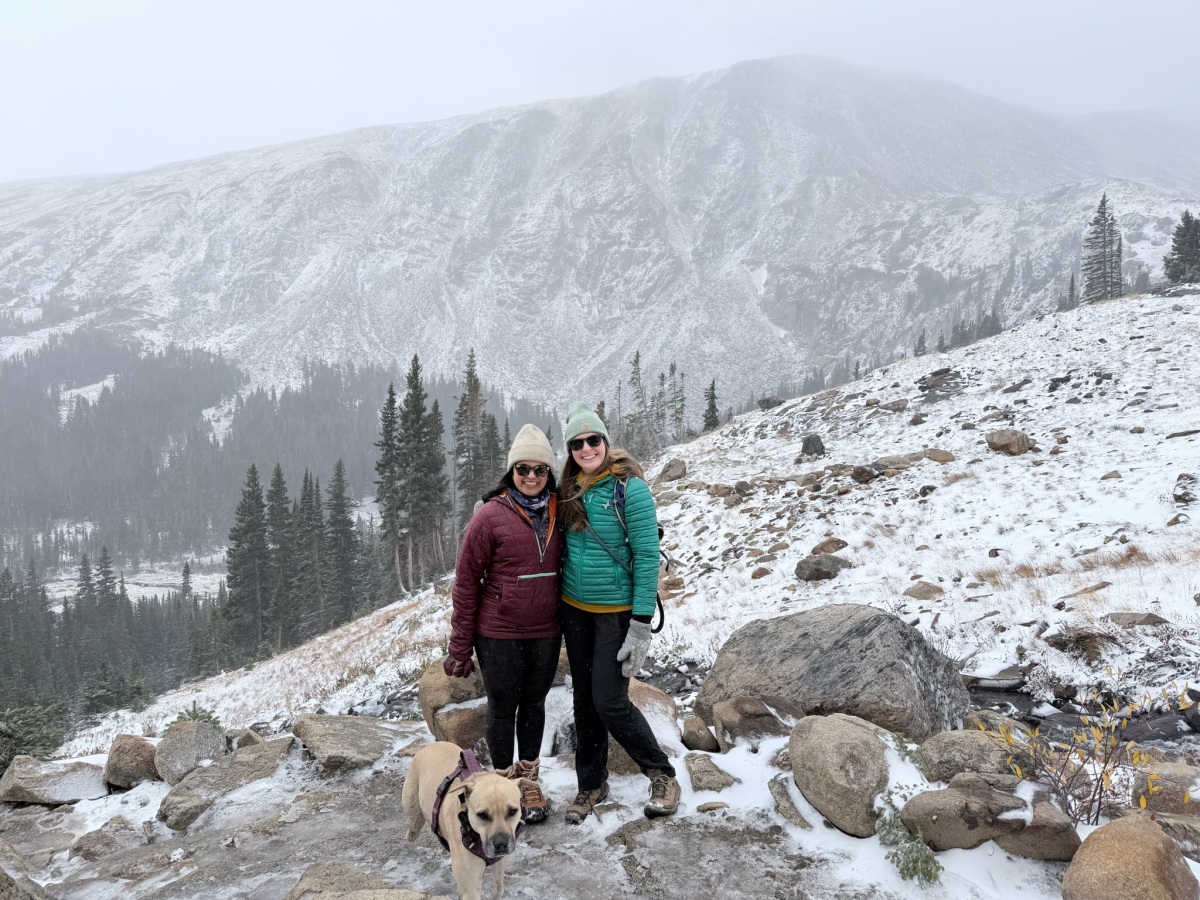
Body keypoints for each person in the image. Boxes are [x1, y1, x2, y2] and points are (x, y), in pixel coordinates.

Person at [557, 401, 681, 823]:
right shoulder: (568, 489)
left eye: (594, 440)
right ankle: (591, 785)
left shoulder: (631, 489)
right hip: (575, 611)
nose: (587, 448)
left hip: (616, 612)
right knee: (584, 702)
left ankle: (661, 773)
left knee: (609, 701)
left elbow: (647, 557)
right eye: (578, 443)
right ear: (570, 449)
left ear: (606, 442)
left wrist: (641, 625)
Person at [444, 424, 563, 823]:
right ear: (510, 471)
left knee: (534, 704)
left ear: (550, 472)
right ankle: (499, 782)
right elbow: (465, 584)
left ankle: (527, 783)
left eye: (539, 470)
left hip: (546, 629)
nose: (531, 476)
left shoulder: (561, 511)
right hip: (498, 632)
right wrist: (460, 647)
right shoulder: (490, 517)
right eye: (522, 469)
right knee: (502, 707)